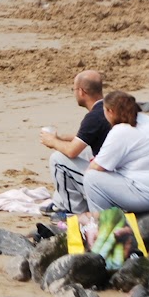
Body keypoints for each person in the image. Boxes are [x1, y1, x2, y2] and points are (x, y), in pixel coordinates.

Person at [84, 90, 149, 214]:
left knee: (91, 179)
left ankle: (104, 224)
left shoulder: (121, 131)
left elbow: (96, 167)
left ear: (110, 111)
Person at [38, 69, 109, 215]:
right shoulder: (108, 108)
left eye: (74, 89)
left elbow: (72, 151)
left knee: (58, 160)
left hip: (108, 187)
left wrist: (52, 141)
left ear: (82, 91)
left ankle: (72, 211)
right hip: (121, 178)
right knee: (86, 150)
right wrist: (61, 138)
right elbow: (85, 139)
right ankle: (59, 201)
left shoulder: (94, 116)